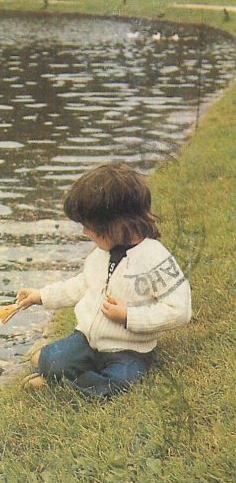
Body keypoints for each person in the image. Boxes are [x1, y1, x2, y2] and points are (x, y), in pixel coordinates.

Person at [16, 163, 192, 397]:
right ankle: (51, 363)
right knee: (55, 361)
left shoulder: (155, 259)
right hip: (88, 340)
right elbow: (81, 285)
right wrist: (42, 296)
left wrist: (130, 316)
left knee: (119, 383)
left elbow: (180, 310)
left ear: (116, 225)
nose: (84, 233)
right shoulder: (100, 255)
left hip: (129, 349)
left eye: (89, 227)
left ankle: (59, 380)